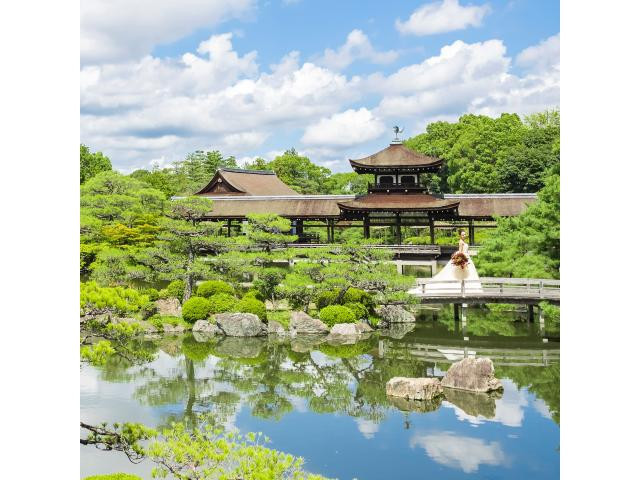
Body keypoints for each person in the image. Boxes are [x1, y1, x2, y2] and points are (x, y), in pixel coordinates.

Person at [419, 230, 482, 294]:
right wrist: (461, 260)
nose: (464, 236)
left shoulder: (464, 242)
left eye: (465, 234)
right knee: (461, 274)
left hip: (467, 258)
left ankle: (469, 288)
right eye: (462, 235)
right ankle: (463, 288)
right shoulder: (461, 242)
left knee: (468, 273)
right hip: (463, 257)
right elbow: (460, 252)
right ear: (460, 236)